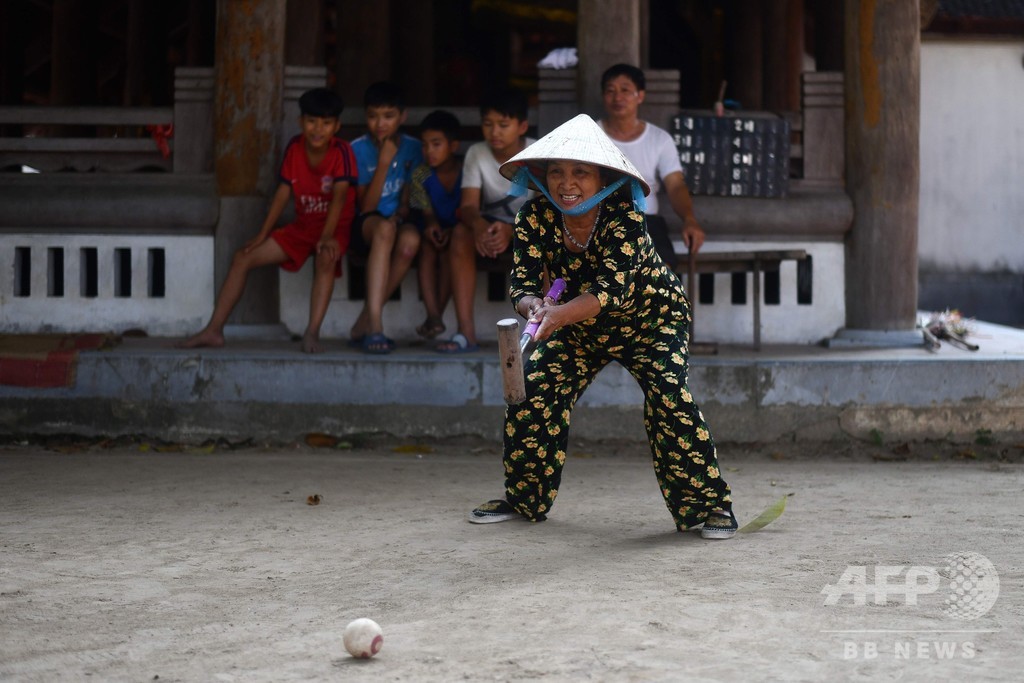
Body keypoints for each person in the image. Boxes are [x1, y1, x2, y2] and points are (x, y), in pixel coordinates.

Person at [467, 114, 738, 539]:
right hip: (577, 329)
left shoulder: (627, 218)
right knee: (534, 387)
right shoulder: (533, 218)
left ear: (604, 179)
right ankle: (524, 498)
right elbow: (520, 283)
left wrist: (555, 316)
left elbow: (609, 292)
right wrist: (533, 305)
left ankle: (709, 506)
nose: (566, 183)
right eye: (556, 171)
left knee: (670, 396)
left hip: (651, 322)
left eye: (580, 172)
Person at [177, 87, 356, 354]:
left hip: (335, 227)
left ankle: (312, 332)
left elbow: (340, 197)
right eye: (311, 121)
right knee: (242, 257)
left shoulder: (342, 152)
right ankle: (213, 330)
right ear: (300, 122)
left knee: (326, 258)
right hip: (303, 226)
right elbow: (283, 191)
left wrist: (327, 236)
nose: (318, 129)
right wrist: (264, 233)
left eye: (326, 123)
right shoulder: (295, 148)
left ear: (336, 126)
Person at [436, 88, 536, 353]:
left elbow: (548, 212)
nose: (495, 132)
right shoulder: (477, 153)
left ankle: (544, 336)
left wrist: (513, 231)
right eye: (488, 124)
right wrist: (479, 227)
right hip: (490, 225)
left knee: (550, 240)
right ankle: (465, 333)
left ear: (522, 126)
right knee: (460, 234)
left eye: (503, 125)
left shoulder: (537, 153)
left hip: (532, 228)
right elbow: (468, 206)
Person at [599, 63, 704, 267]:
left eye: (625, 90)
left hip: (646, 222)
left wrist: (690, 220)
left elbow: (675, 185)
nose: (617, 97)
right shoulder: (591, 135)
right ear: (603, 96)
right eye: (610, 91)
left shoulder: (659, 139)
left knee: (662, 275)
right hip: (600, 221)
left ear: (640, 96)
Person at [348, 82, 424, 354]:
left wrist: (401, 212)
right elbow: (366, 206)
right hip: (367, 224)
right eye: (373, 116)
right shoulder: (357, 149)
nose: (380, 123)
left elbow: (411, 196)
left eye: (388, 116)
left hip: (398, 220)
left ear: (402, 116)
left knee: (410, 242)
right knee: (383, 231)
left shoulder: (415, 148)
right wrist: (383, 161)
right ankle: (376, 327)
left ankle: (364, 319)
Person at [409, 110, 463, 340]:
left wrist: (452, 230)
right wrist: (432, 227)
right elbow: (427, 213)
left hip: (460, 230)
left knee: (451, 251)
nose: (429, 151)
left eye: (436, 144)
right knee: (428, 249)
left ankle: (434, 318)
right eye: (425, 145)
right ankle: (433, 315)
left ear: (453, 146)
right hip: (432, 229)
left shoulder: (466, 170)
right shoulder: (421, 174)